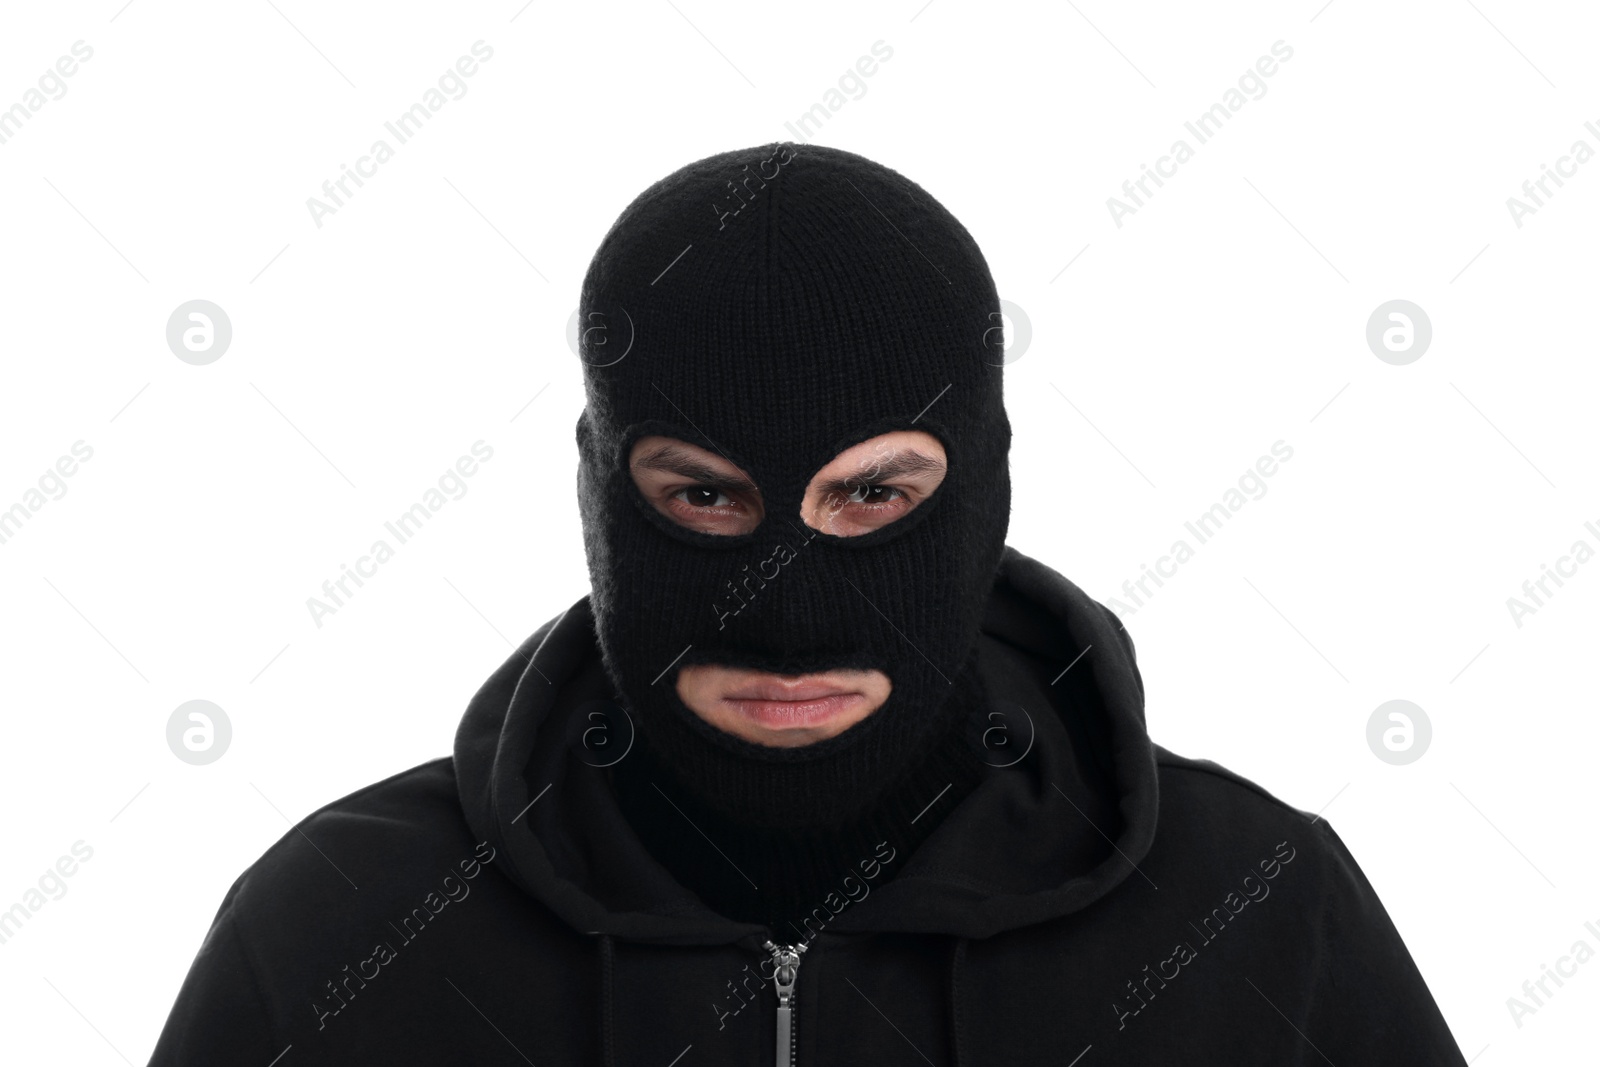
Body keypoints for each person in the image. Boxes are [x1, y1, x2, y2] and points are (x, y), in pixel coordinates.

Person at [150, 143, 1467, 1066]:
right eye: (706, 501)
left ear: (987, 491)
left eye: (875, 497)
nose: (784, 620)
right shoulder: (339, 936)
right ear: (601, 498)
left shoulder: (1254, 920)